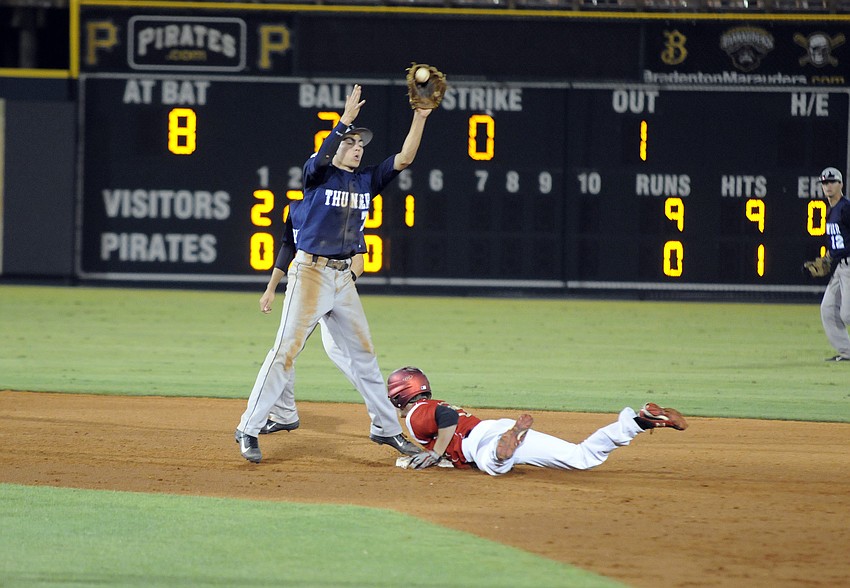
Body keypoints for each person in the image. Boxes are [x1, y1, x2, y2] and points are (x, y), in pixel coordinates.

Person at [235, 84, 432, 463]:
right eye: (352, 142)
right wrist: (344, 122)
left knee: (364, 356)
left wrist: (419, 117)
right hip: (310, 274)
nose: (358, 147)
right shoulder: (318, 175)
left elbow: (405, 158)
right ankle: (249, 426)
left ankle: (387, 429)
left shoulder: (366, 181)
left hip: (343, 279)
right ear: (336, 145)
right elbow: (323, 155)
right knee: (285, 352)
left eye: (361, 144)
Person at [385, 366, 688, 476]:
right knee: (581, 457)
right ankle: (639, 421)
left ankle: (505, 450)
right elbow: (446, 417)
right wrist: (434, 454)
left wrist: (436, 453)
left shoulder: (416, 412)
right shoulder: (431, 404)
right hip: (494, 426)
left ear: (401, 394)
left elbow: (446, 417)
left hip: (480, 441)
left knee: (494, 465)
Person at [255, 218, 364, 434]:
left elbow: (359, 259)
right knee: (285, 350)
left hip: (335, 290)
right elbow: (287, 248)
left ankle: (384, 402)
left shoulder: (341, 211)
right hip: (307, 290)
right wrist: (270, 288)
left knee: (340, 352)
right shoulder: (297, 211)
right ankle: (284, 414)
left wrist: (343, 286)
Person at [816, 167, 850, 361]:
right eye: (825, 183)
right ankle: (847, 352)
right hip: (839, 267)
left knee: (847, 314)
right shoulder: (831, 210)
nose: (828, 186)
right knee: (828, 309)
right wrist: (828, 258)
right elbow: (838, 241)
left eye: (832, 182)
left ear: (840, 184)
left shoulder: (846, 208)